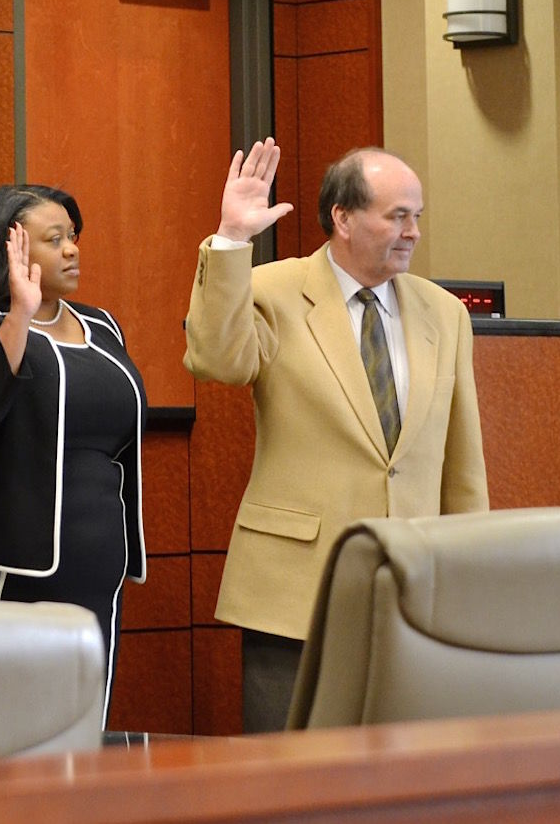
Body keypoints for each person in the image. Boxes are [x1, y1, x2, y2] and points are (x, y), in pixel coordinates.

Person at [183, 138, 488, 731]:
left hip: (412, 589)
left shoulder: (444, 311)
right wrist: (231, 240)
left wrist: (471, 575)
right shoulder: (272, 288)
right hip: (296, 590)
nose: (413, 232)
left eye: (417, 216)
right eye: (397, 215)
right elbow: (217, 360)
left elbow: (462, 462)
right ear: (343, 218)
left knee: (404, 779)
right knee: (293, 775)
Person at [0, 184, 146, 719]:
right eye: (56, 239)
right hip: (11, 565)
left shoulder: (101, 325)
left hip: (99, 563)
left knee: (82, 724)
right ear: (11, 247)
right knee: (2, 728)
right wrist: (20, 316)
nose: (73, 249)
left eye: (73, 236)